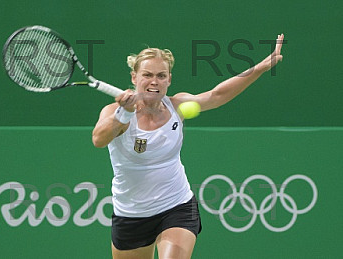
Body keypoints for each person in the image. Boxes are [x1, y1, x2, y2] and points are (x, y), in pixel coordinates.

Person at [92, 34, 285, 259]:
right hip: (131, 215)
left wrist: (261, 67)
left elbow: (217, 95)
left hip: (177, 206)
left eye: (161, 76)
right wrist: (123, 113)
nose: (154, 81)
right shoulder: (115, 112)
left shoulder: (178, 106)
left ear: (169, 80)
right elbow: (98, 139)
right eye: (147, 75)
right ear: (134, 77)